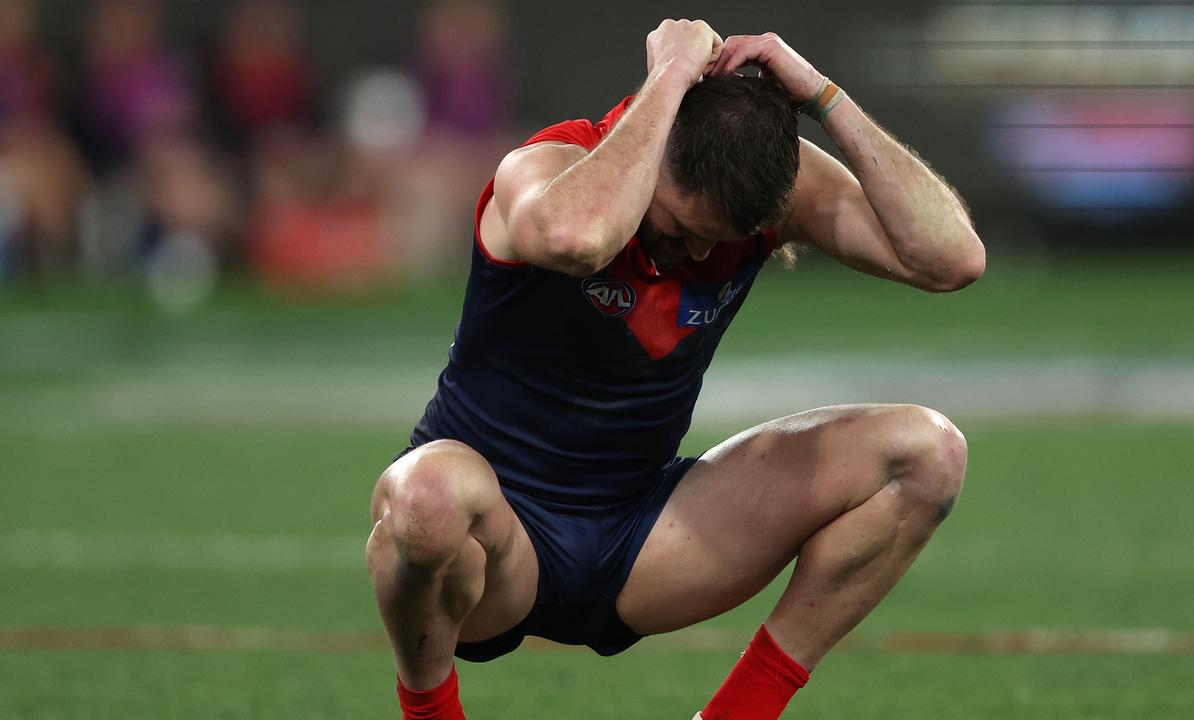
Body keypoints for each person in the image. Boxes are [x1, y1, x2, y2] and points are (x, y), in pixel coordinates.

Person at [366, 19, 985, 720]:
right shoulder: (548, 167)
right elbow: (577, 238)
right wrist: (668, 79)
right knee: (426, 497)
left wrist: (822, 96)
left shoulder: (761, 188)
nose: (686, 256)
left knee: (928, 455)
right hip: (495, 541)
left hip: (644, 541)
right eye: (676, 227)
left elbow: (952, 259)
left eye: (712, 241)